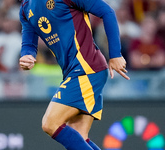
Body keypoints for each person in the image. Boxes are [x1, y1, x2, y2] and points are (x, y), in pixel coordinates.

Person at [19, 0, 130, 149]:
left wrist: (115, 54)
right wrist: (27, 56)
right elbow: (29, 43)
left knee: (50, 123)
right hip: (76, 72)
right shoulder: (26, 7)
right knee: (79, 137)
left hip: (87, 68)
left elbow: (107, 11)